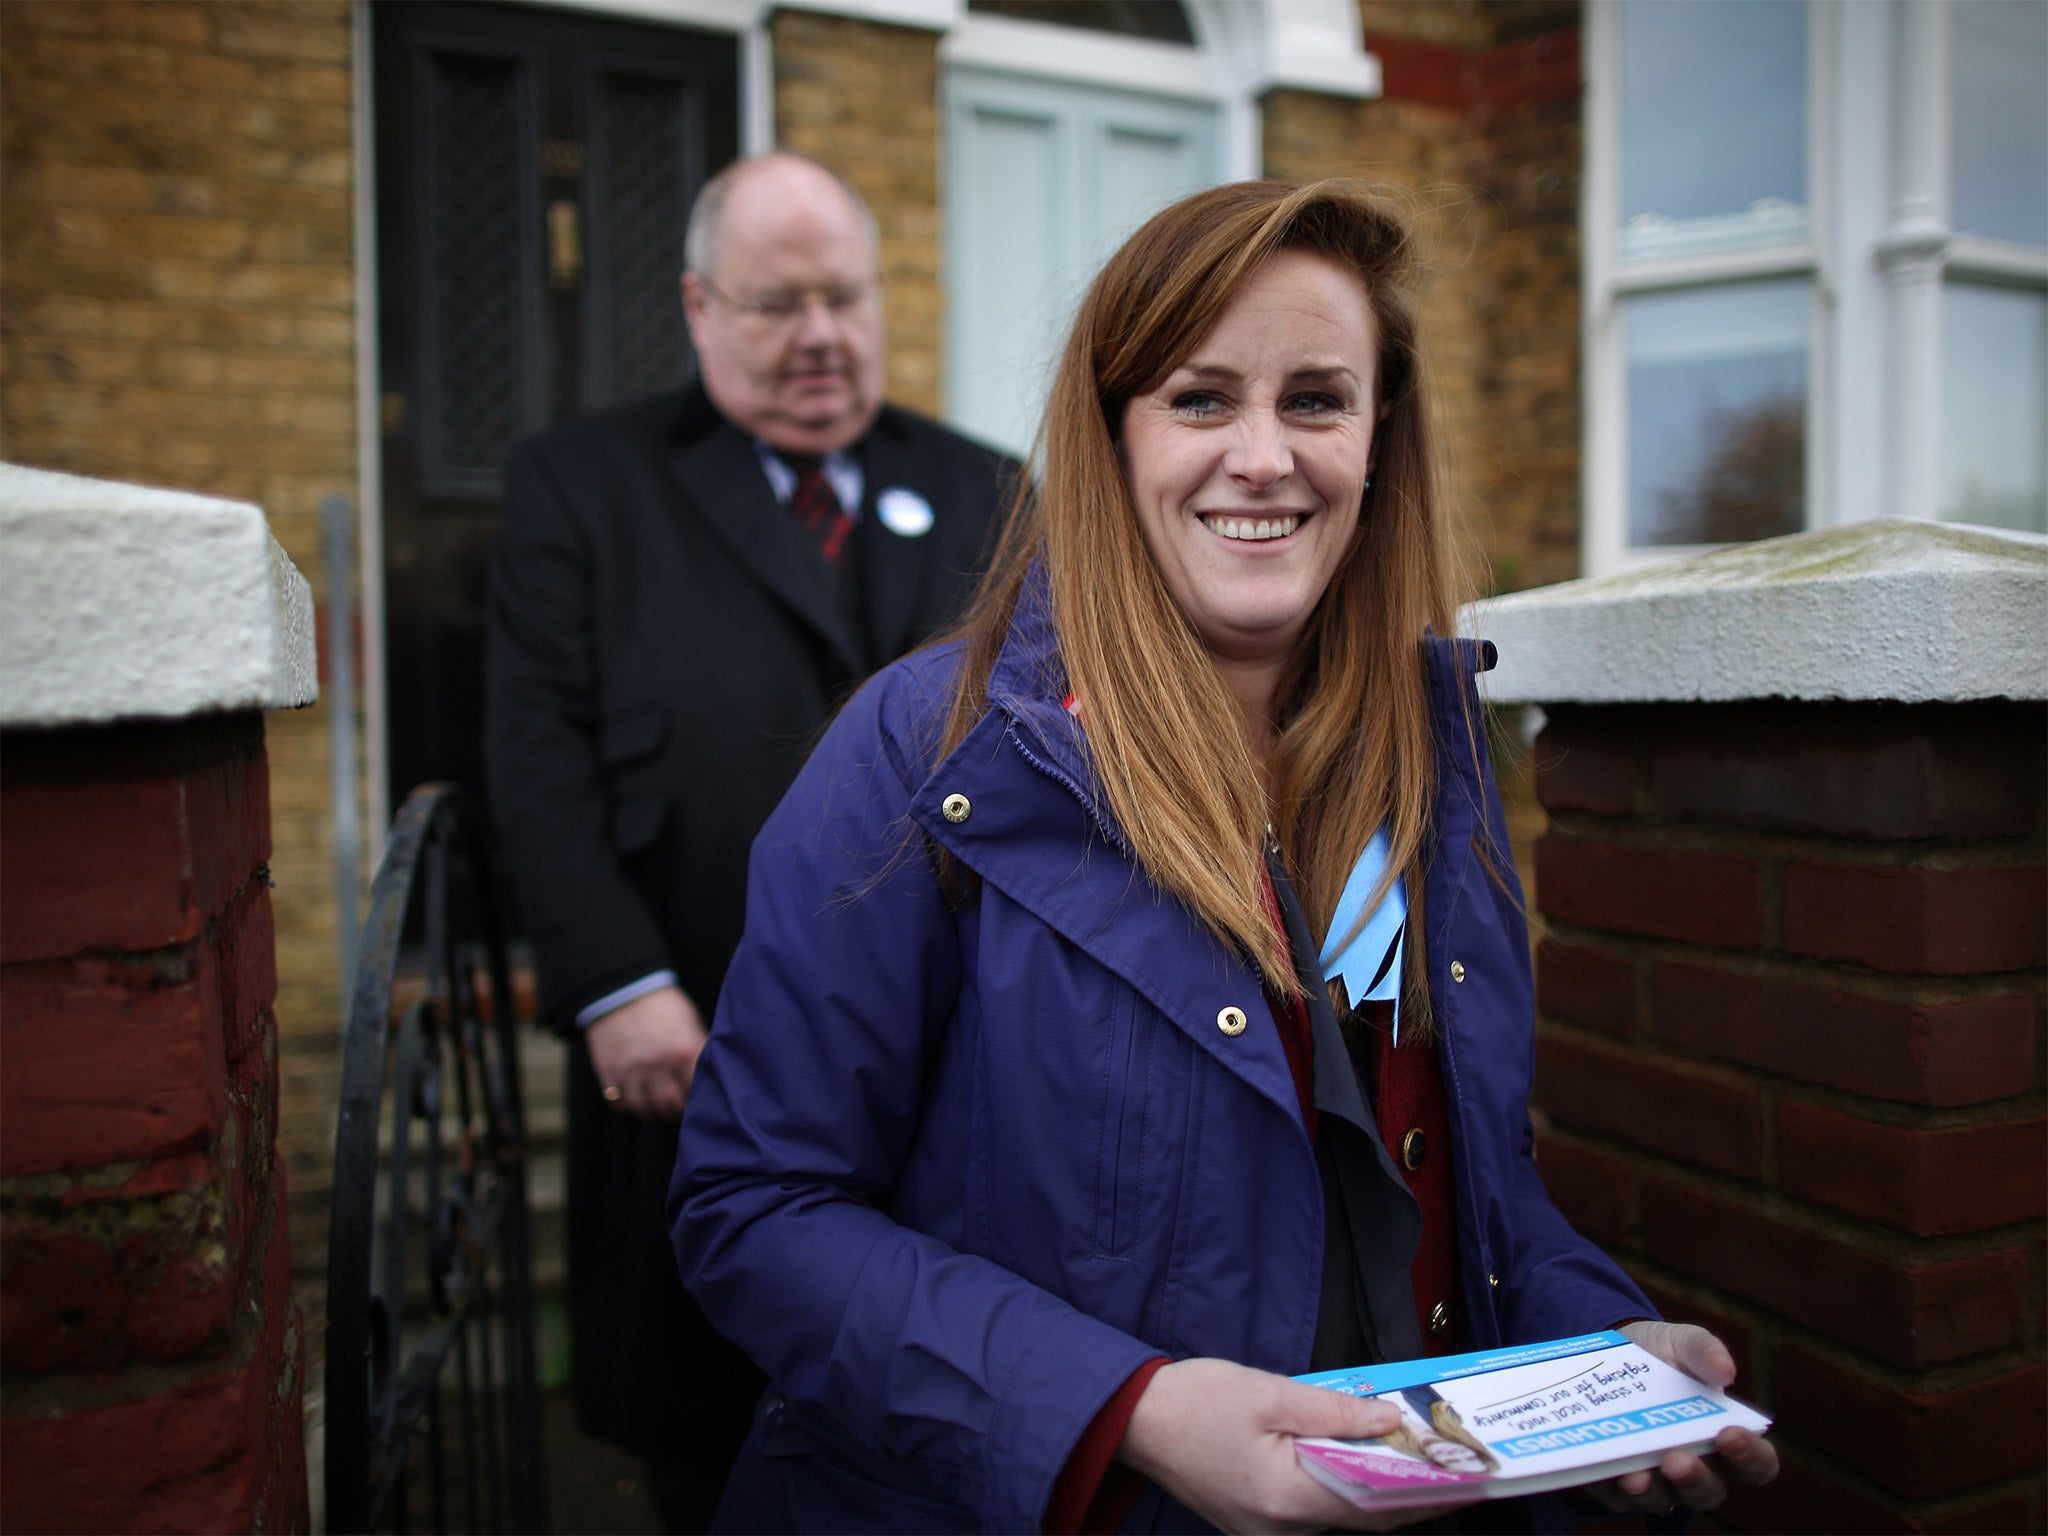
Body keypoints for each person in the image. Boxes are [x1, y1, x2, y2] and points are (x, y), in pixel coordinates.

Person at [670, 178, 1778, 1533]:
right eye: (1202, 399)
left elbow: (1451, 1190)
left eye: (1316, 399)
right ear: (1115, 437)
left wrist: (1598, 1353)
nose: (1263, 456)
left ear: (1380, 440)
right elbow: (755, 1211)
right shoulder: (924, 757)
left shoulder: (1422, 770)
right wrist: (1125, 1410)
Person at [484, 151, 1014, 1530]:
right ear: (700, 305)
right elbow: (532, 756)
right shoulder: (580, 486)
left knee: (959, 1405)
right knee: (709, 1429)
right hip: (693, 1043)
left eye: (844, 296)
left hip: (968, 1062)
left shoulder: (991, 487)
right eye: (778, 304)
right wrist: (611, 983)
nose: (822, 337)